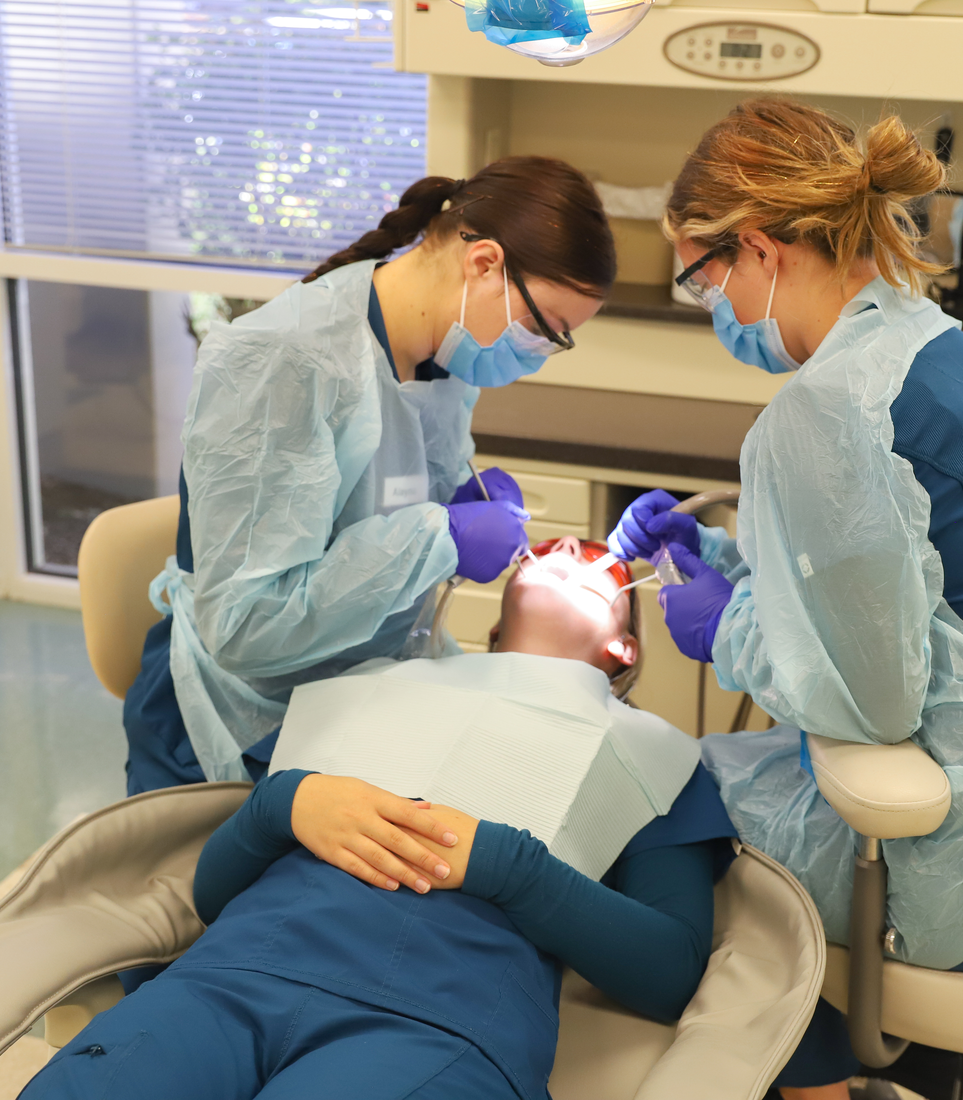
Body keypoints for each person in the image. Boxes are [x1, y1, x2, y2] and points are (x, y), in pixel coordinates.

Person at [608, 98, 963, 1100]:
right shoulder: (928, 347)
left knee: (655, 797)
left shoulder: (824, 406)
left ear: (755, 248)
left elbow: (870, 702)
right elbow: (920, 604)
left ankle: (809, 1080)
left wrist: (725, 628)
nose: (703, 300)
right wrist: (732, 561)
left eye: (698, 275)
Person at [23, 539, 735, 1100]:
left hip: (431, 1023)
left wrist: (505, 866)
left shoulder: (653, 755)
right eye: (546, 548)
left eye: (597, 563)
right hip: (228, 979)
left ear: (623, 651)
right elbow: (211, 896)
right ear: (493, 623)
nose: (569, 551)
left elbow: (670, 971)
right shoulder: (365, 685)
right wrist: (283, 804)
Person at [123, 156, 616, 895]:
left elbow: (387, 485)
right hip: (243, 713)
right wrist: (434, 540)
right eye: (547, 331)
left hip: (363, 685)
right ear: (484, 263)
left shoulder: (439, 355)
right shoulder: (285, 362)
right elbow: (246, 622)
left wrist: (449, 505)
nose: (538, 356)